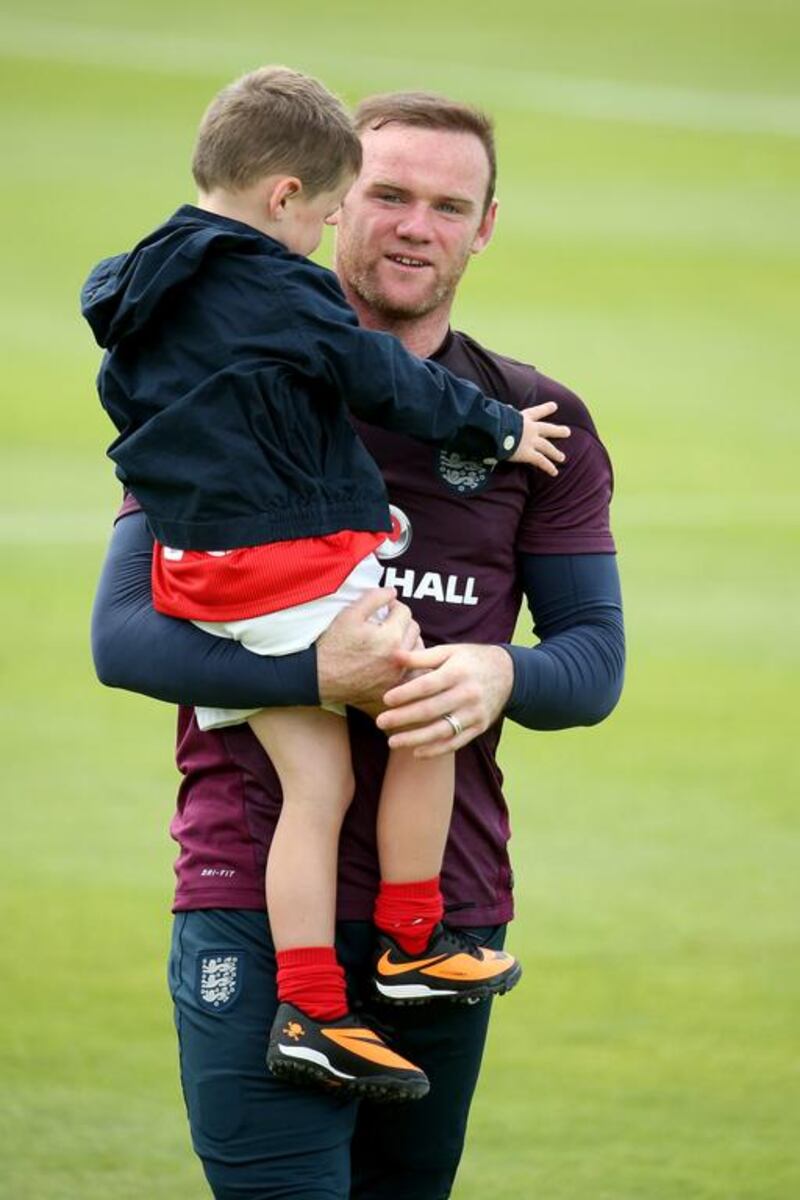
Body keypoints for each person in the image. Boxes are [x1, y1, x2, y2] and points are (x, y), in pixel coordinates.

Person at [91, 90, 625, 1200]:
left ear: (483, 226)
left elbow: (591, 666)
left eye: (446, 204)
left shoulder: (537, 422)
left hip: (451, 909)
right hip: (247, 901)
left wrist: (496, 671)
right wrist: (306, 674)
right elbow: (124, 639)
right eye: (385, 194)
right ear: (328, 207)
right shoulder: (225, 386)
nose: (412, 225)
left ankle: (411, 933)